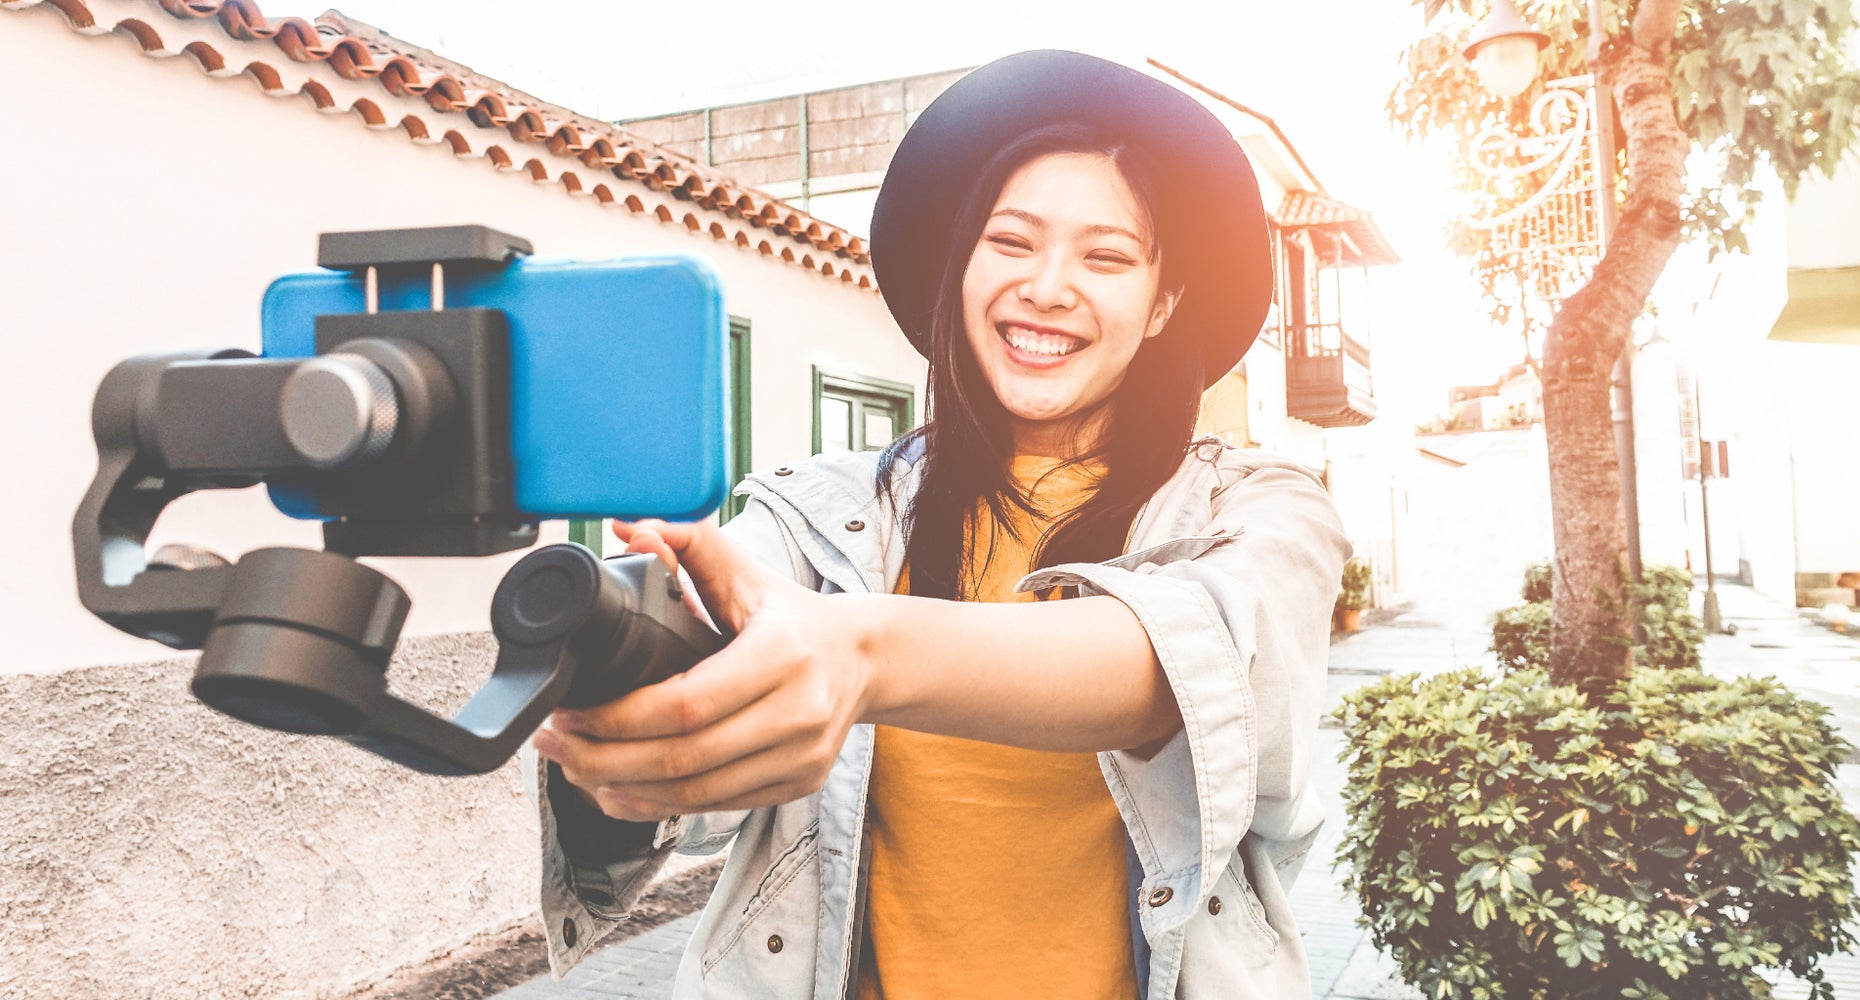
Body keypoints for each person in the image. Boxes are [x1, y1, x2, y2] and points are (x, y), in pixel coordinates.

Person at [528, 49, 1350, 999]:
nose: (1047, 286)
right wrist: (628, 674)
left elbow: (1184, 665)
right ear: (962, 268)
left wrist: (864, 657)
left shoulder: (1259, 509)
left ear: (1164, 302)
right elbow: (722, 649)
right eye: (1011, 242)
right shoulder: (815, 513)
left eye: (1107, 256)